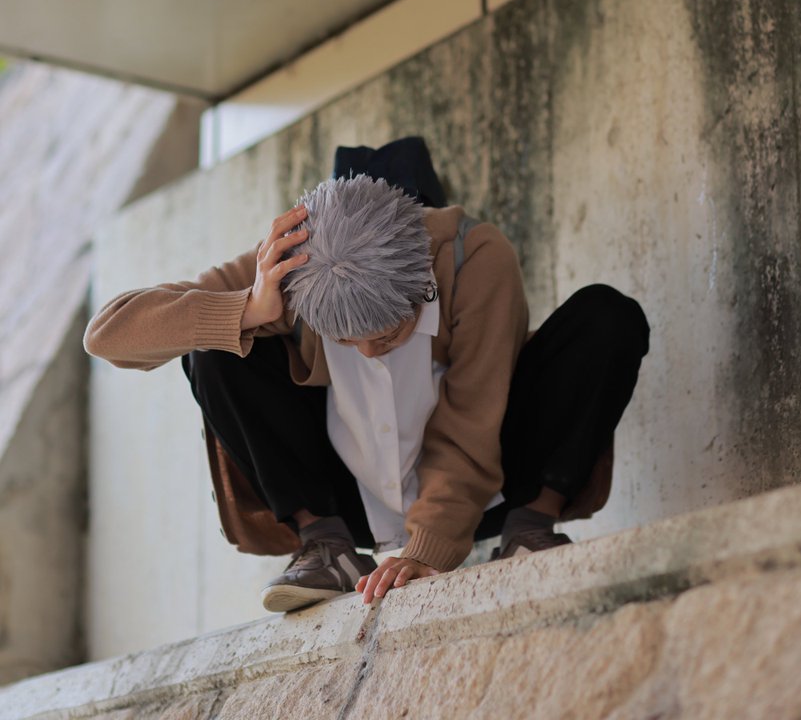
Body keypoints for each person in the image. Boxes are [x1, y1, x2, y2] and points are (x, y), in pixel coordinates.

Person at [84, 156, 649, 614]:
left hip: (488, 489)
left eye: (386, 335)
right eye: (345, 340)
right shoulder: (291, 266)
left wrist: (428, 548)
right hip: (346, 497)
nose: (368, 351)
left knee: (606, 317)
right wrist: (248, 308)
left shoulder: (474, 260)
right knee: (212, 344)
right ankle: (324, 544)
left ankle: (531, 527)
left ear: (421, 286)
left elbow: (471, 418)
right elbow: (106, 336)